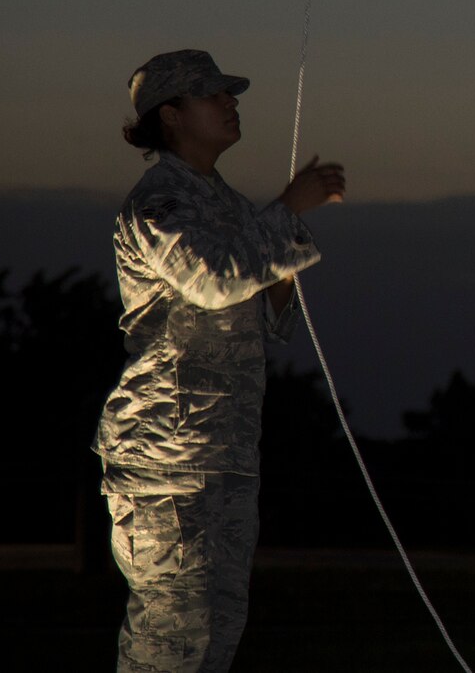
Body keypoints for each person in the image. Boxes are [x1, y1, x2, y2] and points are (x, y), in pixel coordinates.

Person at [93, 49, 347, 673]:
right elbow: (212, 281)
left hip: (222, 455)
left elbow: (264, 323)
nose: (231, 103)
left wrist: (280, 249)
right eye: (214, 96)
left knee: (211, 640)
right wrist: (286, 210)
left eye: (228, 94)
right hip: (168, 463)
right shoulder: (160, 203)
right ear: (171, 116)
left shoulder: (226, 204)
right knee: (172, 645)